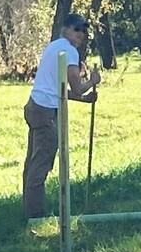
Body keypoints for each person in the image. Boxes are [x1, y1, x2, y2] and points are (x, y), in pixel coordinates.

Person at [22, 13, 103, 220]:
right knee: (41, 164)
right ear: (66, 28)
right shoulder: (69, 51)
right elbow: (76, 87)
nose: (81, 34)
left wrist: (84, 99)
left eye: (84, 31)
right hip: (46, 111)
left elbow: (56, 88)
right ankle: (36, 216)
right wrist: (92, 80)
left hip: (35, 106)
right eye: (77, 29)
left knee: (32, 162)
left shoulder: (54, 47)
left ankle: (29, 210)